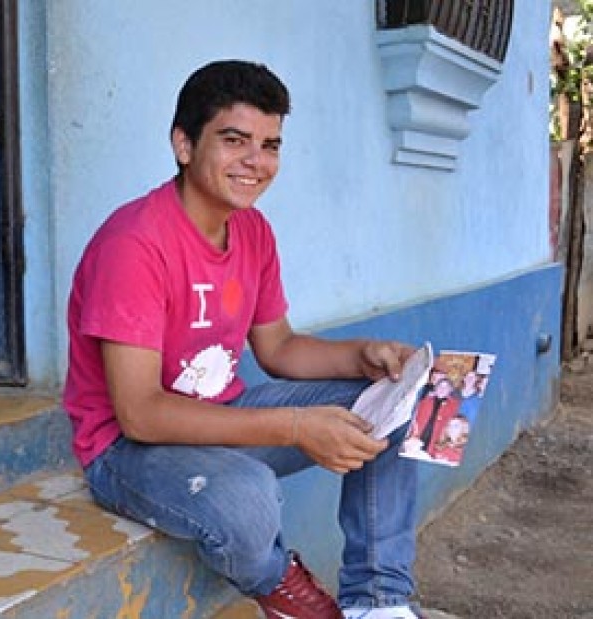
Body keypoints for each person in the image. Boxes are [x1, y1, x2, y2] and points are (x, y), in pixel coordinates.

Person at [63, 60, 424, 619]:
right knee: (249, 497)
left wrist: (363, 355)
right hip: (128, 450)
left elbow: (278, 349)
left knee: (392, 403)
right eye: (235, 141)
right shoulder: (134, 244)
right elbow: (139, 414)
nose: (256, 163)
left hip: (221, 414)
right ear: (184, 144)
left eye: (270, 145)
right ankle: (280, 584)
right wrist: (299, 428)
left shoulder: (252, 230)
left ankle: (378, 602)